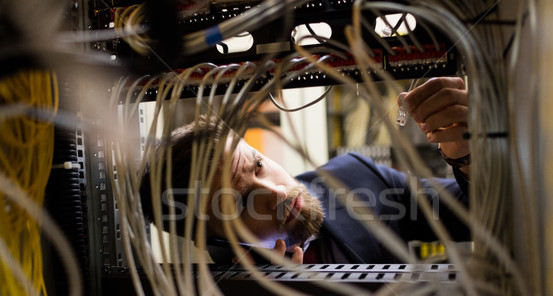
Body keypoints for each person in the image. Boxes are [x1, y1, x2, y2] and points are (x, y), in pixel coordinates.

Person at [139, 77, 471, 264]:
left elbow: (472, 211)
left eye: (258, 165)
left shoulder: (354, 176)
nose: (279, 194)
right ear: (212, 237)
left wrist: (462, 152)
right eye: (240, 202)